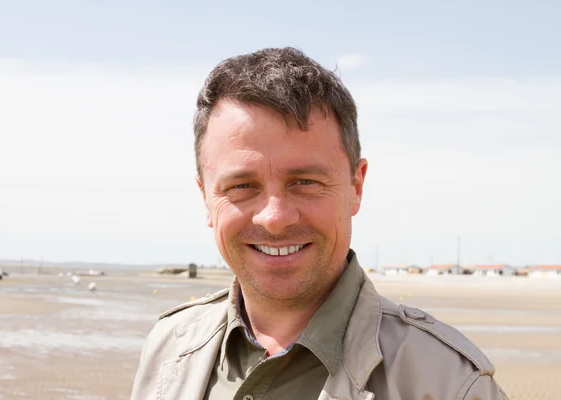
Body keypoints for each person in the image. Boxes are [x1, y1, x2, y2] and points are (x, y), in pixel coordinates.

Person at [130, 47, 508, 400]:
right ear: (206, 199)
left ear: (355, 187)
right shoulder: (168, 349)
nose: (275, 218)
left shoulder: (450, 384)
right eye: (242, 186)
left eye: (305, 182)